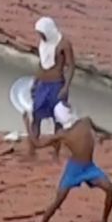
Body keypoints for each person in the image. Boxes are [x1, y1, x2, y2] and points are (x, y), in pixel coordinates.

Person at [22, 104, 112, 222]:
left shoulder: (85, 122)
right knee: (58, 201)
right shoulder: (63, 134)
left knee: (110, 189)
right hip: (74, 169)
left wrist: (108, 134)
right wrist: (27, 125)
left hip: (89, 167)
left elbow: (97, 129)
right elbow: (37, 143)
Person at [30, 16, 75, 156]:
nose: (40, 36)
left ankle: (56, 151)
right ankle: (33, 146)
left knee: (58, 119)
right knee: (36, 115)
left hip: (56, 85)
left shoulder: (64, 44)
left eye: (42, 33)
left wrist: (65, 87)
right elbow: (41, 64)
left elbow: (71, 66)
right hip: (42, 85)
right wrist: (35, 82)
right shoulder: (43, 44)